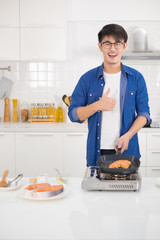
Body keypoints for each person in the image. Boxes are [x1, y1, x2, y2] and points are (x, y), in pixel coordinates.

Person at [68, 23, 151, 167]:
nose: (113, 49)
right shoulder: (87, 79)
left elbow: (144, 114)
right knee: (97, 188)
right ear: (100, 46)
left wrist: (128, 135)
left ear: (124, 46)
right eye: (107, 43)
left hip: (128, 151)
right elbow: (73, 114)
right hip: (97, 153)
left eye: (117, 43)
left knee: (126, 189)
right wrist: (97, 105)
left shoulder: (136, 78)